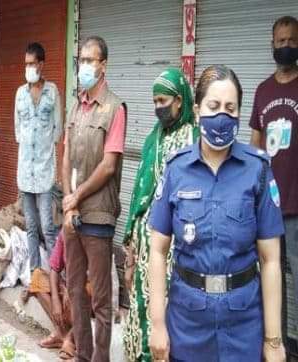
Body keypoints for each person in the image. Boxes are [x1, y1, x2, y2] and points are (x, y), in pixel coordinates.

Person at [148, 65, 285, 362]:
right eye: (213, 106)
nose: (222, 115)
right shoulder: (176, 169)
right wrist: (157, 324)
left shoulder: (257, 170)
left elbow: (271, 259)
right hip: (187, 324)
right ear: (197, 111)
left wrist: (273, 341)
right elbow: (157, 250)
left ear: (238, 113)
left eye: (230, 108)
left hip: (243, 324)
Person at [122, 67, 198, 362]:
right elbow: (138, 193)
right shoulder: (152, 139)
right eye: (154, 101)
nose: (158, 108)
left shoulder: (195, 136)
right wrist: (129, 243)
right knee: (143, 314)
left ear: (180, 100)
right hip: (146, 247)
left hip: (179, 248)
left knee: (171, 316)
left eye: (163, 100)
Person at [61, 35, 126, 362]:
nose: (84, 66)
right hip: (73, 217)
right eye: (81, 60)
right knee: (75, 293)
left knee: (101, 302)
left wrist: (76, 197)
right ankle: (82, 357)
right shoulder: (76, 105)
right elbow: (66, 157)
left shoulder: (115, 108)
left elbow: (108, 166)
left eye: (90, 60)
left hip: (98, 216)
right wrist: (67, 201)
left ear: (103, 65)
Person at [249, 16, 298, 308]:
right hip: (269, 205)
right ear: (272, 45)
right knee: (271, 278)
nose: (286, 46)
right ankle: (273, 344)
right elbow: (255, 147)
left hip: (297, 206)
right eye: (281, 41)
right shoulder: (263, 90)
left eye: (292, 40)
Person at [14, 42, 62, 271]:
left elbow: (58, 131)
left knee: (48, 227)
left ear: (41, 65)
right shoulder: (19, 94)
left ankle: (53, 279)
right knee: (31, 228)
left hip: (44, 173)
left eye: (32, 64)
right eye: (26, 64)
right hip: (25, 173)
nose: (29, 68)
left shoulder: (52, 92)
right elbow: (17, 131)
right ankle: (35, 276)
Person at [31, 232, 76, 359]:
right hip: (68, 287)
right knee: (37, 277)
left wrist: (73, 288)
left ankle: (70, 339)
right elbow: (54, 269)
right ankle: (61, 333)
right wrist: (56, 299)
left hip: (85, 291)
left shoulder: (92, 234)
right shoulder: (65, 234)